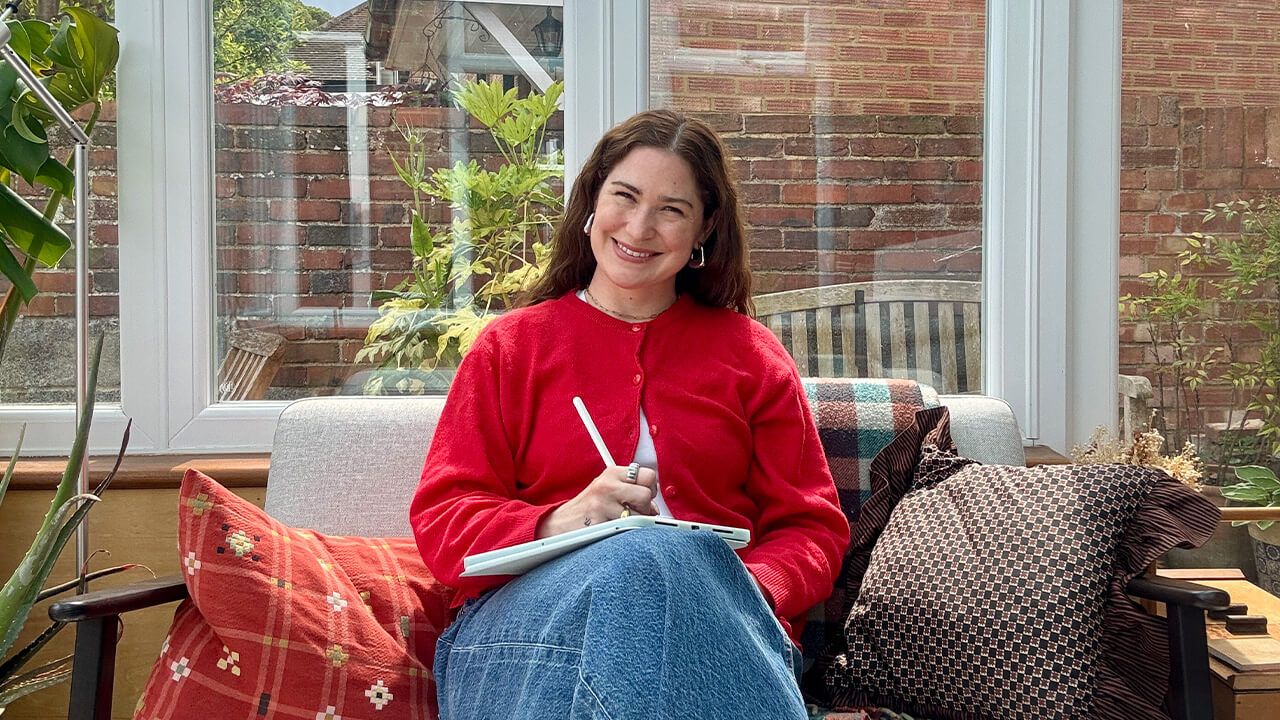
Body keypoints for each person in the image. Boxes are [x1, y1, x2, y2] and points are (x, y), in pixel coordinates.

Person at [411, 109, 849, 719]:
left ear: (704, 228)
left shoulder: (751, 355)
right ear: (593, 199)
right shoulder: (510, 348)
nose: (640, 227)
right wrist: (564, 519)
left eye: (672, 209)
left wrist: (732, 591)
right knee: (644, 560)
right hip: (517, 634)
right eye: (625, 196)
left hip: (722, 634)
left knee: (665, 566)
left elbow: (812, 529)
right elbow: (443, 521)